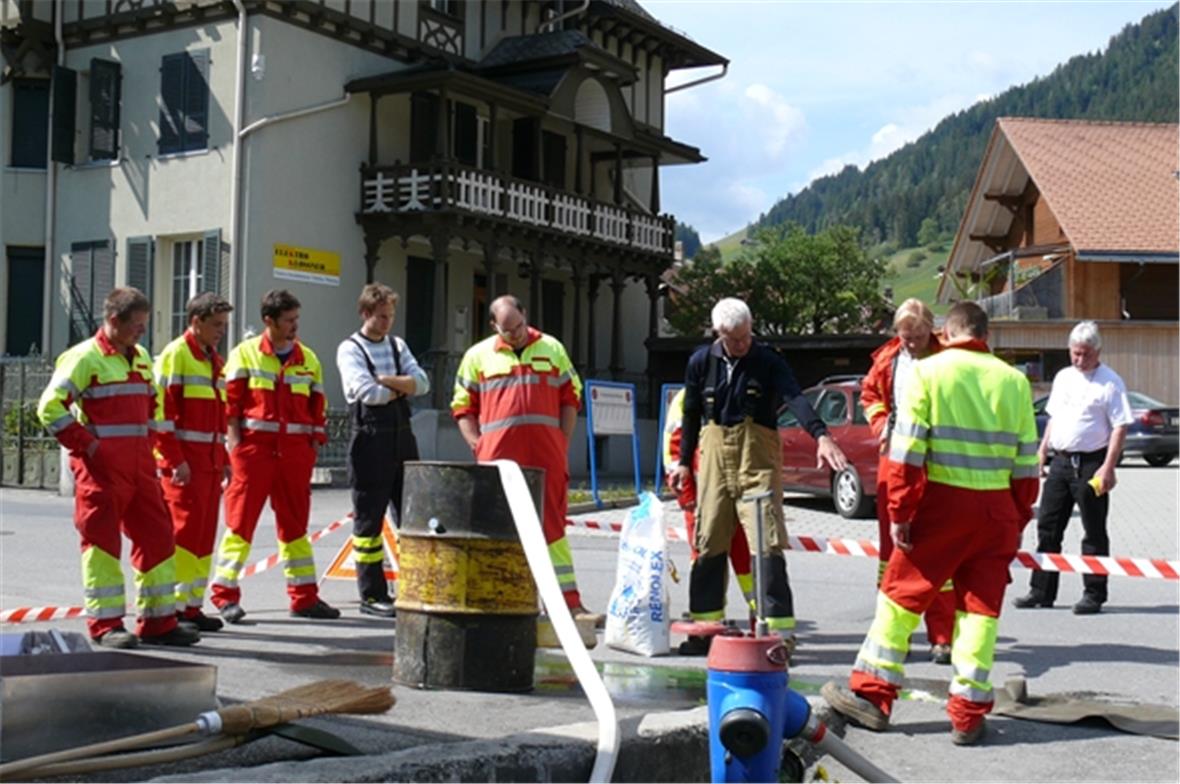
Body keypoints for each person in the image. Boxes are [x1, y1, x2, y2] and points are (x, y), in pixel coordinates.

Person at [822, 302, 1039, 746]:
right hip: (996, 511)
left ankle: (874, 695)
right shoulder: (1016, 382)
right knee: (980, 611)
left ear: (947, 330)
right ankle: (968, 713)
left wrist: (901, 513)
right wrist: (1016, 518)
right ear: (984, 334)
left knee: (900, 597)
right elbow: (1027, 465)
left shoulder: (927, 373)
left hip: (942, 505)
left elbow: (905, 456)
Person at [669, 298, 848, 653]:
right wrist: (685, 462)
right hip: (714, 457)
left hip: (758, 460)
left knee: (767, 543)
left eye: (747, 335)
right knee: (708, 543)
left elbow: (795, 398)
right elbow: (691, 414)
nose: (743, 344)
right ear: (719, 334)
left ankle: (777, 637)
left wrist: (821, 435)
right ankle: (704, 633)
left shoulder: (767, 361)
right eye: (735, 339)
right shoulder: (701, 362)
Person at [36, 287, 199, 648]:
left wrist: (168, 456)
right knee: (102, 545)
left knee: (158, 538)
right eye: (137, 325)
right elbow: (49, 408)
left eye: (144, 324)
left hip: (141, 468)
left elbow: (155, 411)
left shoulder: (140, 356)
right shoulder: (83, 358)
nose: (142, 332)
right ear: (113, 321)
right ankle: (106, 624)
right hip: (101, 471)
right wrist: (90, 446)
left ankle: (158, 621)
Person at [450, 295, 600, 623]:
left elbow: (570, 398)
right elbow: (463, 406)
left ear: (525, 316)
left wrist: (561, 442)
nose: (515, 334)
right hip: (498, 460)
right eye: (507, 330)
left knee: (553, 529)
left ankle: (567, 604)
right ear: (494, 326)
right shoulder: (477, 356)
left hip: (547, 456)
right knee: (497, 530)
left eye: (518, 326)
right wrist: (478, 444)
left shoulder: (552, 348)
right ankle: (498, 600)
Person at [209, 289, 339, 623]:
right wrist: (236, 447)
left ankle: (304, 598)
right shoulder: (244, 354)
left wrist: (312, 447)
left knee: (295, 528)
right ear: (269, 321)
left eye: (297, 319)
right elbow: (230, 407)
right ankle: (224, 596)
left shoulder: (308, 358)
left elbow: (317, 407)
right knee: (239, 526)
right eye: (289, 320)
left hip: (294, 455)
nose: (295, 326)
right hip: (254, 452)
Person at [1013, 321, 1131, 615]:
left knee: (1093, 530)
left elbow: (1119, 427)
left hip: (1092, 463)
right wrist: (1042, 452)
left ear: (1098, 351)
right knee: (1048, 526)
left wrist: (1108, 467)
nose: (1080, 360)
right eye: (1075, 354)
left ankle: (1094, 593)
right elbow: (1053, 417)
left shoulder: (1110, 382)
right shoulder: (1064, 377)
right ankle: (1041, 590)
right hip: (1061, 462)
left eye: (1086, 354)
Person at [861, 298, 953, 665]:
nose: (911, 343)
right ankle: (891, 634)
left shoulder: (948, 357)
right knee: (892, 552)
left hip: (937, 460)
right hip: (895, 458)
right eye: (905, 337)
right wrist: (881, 424)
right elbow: (870, 395)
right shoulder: (887, 358)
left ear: (930, 329)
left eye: (917, 336)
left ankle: (942, 636)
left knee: (937, 552)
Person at [336, 283, 429, 618]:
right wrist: (400, 385)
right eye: (381, 316)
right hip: (369, 442)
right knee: (368, 522)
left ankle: (414, 585)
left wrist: (386, 380)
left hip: (403, 439)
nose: (388, 323)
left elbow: (422, 383)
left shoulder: (396, 344)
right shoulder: (349, 349)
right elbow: (366, 393)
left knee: (412, 517)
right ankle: (372, 594)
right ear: (365, 313)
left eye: (391, 316)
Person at [154, 292, 234, 633]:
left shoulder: (212, 359)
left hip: (209, 464)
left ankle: (190, 607)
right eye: (216, 325)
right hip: (185, 466)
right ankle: (172, 610)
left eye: (224, 326)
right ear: (196, 321)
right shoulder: (176, 355)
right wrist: (175, 460)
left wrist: (226, 458)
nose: (221, 332)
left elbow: (219, 417)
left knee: (202, 539)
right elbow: (162, 416)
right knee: (183, 538)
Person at [663, 386, 756, 639]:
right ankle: (706, 625)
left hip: (738, 491)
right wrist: (688, 497)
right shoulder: (687, 397)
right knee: (706, 557)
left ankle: (759, 619)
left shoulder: (742, 386)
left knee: (746, 556)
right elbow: (674, 450)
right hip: (703, 495)